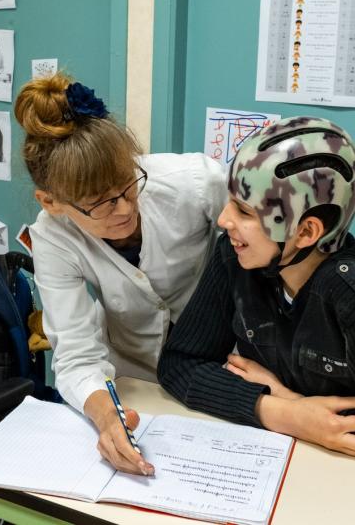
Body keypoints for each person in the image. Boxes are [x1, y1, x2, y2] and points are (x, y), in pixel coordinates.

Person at [157, 116, 355, 458]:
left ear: (307, 232)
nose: (223, 220)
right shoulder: (235, 257)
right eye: (230, 201)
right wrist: (283, 412)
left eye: (245, 212)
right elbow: (179, 363)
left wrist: (296, 403)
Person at [14, 72, 227, 475]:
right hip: (136, 383)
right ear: (52, 201)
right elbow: (76, 355)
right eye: (100, 204)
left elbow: (266, 254)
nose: (125, 210)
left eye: (128, 186)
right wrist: (107, 415)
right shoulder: (53, 237)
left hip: (223, 373)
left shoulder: (196, 184)